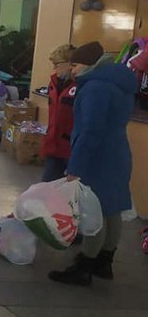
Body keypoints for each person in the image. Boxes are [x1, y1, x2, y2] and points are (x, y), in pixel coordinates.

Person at [48, 41, 137, 286]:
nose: (73, 70)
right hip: (117, 153)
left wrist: (75, 167)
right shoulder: (119, 83)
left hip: (96, 157)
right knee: (112, 210)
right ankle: (104, 263)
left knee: (93, 212)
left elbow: (90, 131)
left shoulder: (96, 88)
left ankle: (84, 267)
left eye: (75, 65)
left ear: (90, 65)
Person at [40, 44, 77, 181]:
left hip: (71, 149)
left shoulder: (81, 86)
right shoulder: (53, 84)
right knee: (46, 187)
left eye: (57, 64)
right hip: (53, 146)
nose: (54, 68)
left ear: (70, 63)